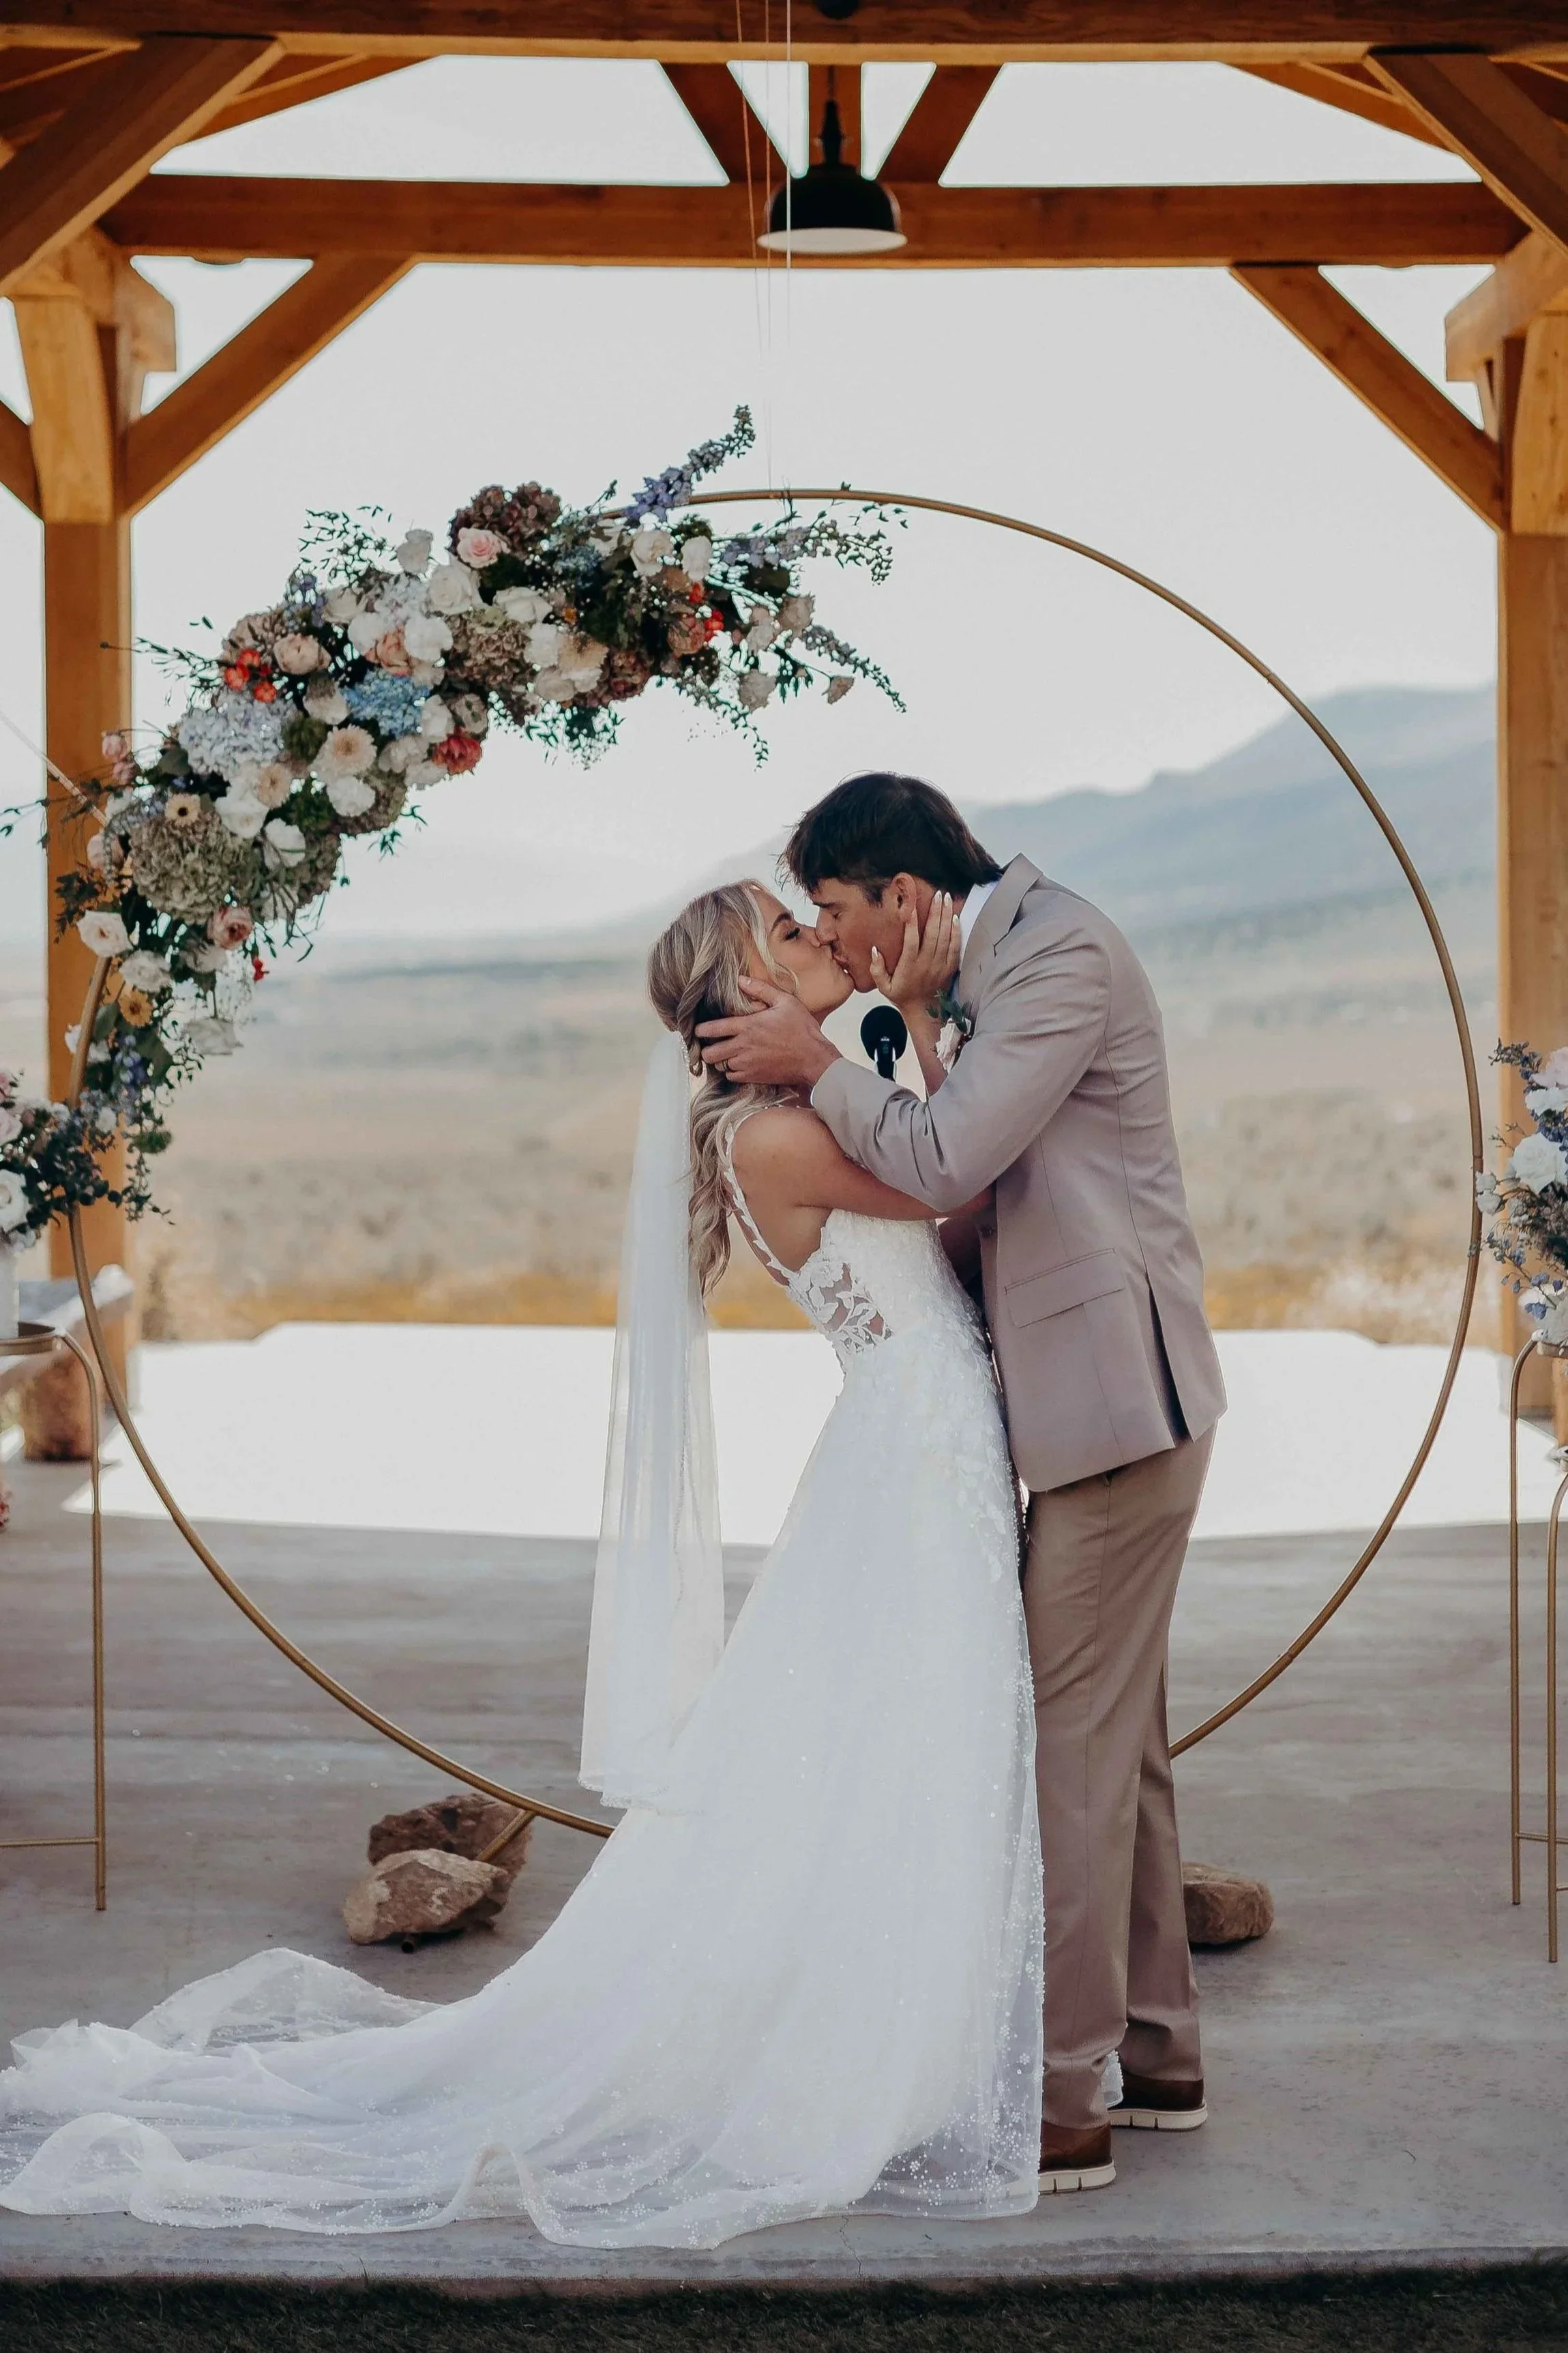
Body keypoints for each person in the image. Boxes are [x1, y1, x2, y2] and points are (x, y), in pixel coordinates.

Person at [0, 879, 1056, 2245]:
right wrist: (908, 1010)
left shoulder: (810, 1106)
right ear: (742, 998)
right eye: (788, 935)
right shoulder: (777, 1139)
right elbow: (947, 1172)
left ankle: (910, 2031)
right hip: (916, 1463)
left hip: (931, 1449)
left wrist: (890, 1028)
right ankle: (869, 2056)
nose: (817, 940)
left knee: (916, 1744)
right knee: (917, 1736)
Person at [697, 775, 1226, 2191]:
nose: (833, 939)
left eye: (838, 913)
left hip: (1114, 1398)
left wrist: (822, 1058)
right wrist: (894, 1031)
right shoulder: (980, 964)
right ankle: (1160, 2049)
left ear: (906, 895)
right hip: (1062, 1405)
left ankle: (1065, 2096)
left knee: (1068, 1745)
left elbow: (946, 1156)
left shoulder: (1054, 952)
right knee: (1121, 1738)